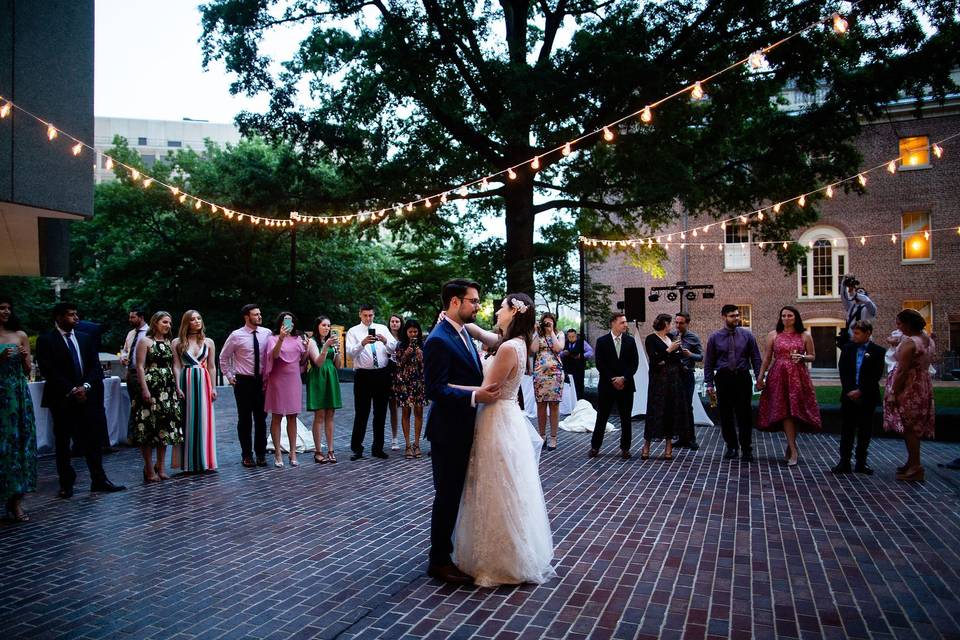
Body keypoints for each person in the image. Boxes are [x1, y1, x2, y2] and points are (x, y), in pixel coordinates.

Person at [450, 293, 556, 587]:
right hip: (507, 417)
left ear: (514, 312)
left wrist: (445, 386)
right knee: (505, 484)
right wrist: (457, 322)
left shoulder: (508, 347)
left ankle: (498, 560)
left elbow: (485, 389)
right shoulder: (518, 343)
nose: (497, 311)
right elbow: (482, 333)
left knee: (494, 485)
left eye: (502, 307)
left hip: (496, 417)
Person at [422, 279, 500, 584]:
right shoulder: (439, 339)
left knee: (456, 494)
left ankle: (449, 552)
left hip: (465, 426)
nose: (478, 306)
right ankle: (438, 560)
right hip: (447, 431)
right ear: (455, 302)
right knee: (447, 495)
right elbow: (435, 389)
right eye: (474, 301)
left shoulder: (463, 332)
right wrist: (475, 395)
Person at [35, 303, 125, 497]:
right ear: (59, 318)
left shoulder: (85, 338)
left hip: (87, 397)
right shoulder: (46, 340)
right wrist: (71, 389)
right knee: (63, 441)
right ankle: (66, 483)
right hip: (62, 398)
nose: (76, 318)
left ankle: (99, 479)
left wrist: (85, 386)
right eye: (71, 315)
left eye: (76, 314)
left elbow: (94, 367)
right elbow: (48, 369)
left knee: (92, 439)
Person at [756, 306, 822, 466]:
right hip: (778, 375)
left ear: (796, 317)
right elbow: (767, 358)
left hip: (798, 376)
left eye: (790, 315)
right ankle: (793, 449)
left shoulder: (805, 335)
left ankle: (791, 446)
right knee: (785, 411)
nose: (786, 318)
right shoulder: (773, 335)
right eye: (783, 315)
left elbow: (813, 356)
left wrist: (803, 357)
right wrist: (760, 376)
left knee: (795, 410)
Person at [704, 304, 762, 463]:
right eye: (732, 316)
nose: (736, 318)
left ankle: (746, 448)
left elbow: (756, 358)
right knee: (725, 415)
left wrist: (759, 377)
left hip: (742, 377)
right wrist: (709, 383)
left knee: (745, 415)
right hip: (723, 378)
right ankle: (731, 446)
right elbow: (709, 362)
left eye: (737, 315)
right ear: (723, 317)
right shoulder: (715, 337)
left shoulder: (747, 336)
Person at [883, 309, 936, 482]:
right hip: (923, 383)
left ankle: (915, 467)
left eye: (899, 323)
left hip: (909, 387)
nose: (897, 327)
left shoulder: (909, 343)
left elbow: (902, 371)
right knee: (914, 424)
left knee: (909, 426)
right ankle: (912, 462)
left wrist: (893, 392)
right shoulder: (927, 339)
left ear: (907, 324)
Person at [130, 311, 183, 482]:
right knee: (147, 429)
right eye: (164, 322)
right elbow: (139, 366)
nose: (168, 325)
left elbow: (175, 365)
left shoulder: (169, 343)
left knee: (164, 429)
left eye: (169, 322)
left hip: (166, 389)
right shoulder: (145, 341)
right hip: (151, 386)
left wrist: (177, 386)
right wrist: (144, 389)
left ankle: (160, 466)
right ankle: (148, 466)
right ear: (155, 323)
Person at [220, 304, 272, 467]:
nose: (259, 316)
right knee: (244, 419)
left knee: (261, 419)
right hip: (243, 381)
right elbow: (223, 357)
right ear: (246, 317)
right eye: (255, 314)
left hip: (261, 381)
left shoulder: (267, 333)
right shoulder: (236, 335)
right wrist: (229, 376)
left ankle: (261, 454)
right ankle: (246, 455)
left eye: (260, 313)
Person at [0, 296, 37, 521]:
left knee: (18, 443)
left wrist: (24, 358)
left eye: (8, 308)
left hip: (17, 394)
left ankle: (16, 502)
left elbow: (27, 370)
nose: (5, 311)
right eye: (1, 308)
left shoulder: (20, 335)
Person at [833, 320, 885, 475]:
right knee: (847, 429)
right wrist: (849, 390)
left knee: (865, 430)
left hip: (867, 396)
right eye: (853, 332)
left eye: (857, 333)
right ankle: (844, 462)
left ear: (867, 333)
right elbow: (843, 371)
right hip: (849, 396)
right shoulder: (848, 349)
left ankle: (861, 462)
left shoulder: (877, 352)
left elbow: (875, 375)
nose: (853, 336)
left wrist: (861, 390)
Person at [346, 304, 397, 460]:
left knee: (380, 413)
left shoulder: (382, 328)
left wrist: (385, 340)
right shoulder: (353, 331)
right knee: (362, 413)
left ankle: (378, 448)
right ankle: (357, 448)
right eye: (365, 315)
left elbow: (394, 348)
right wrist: (362, 343)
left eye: (371, 315)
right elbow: (349, 354)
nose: (368, 318)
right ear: (360, 315)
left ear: (374, 315)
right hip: (363, 376)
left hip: (382, 374)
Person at [588, 312, 640, 459]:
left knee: (626, 418)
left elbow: (634, 364)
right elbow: (600, 364)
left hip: (626, 386)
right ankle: (595, 447)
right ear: (613, 323)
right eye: (622, 322)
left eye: (625, 322)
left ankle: (625, 448)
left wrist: (623, 378)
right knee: (602, 417)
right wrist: (613, 379)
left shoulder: (630, 341)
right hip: (607, 386)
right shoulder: (602, 341)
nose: (625, 325)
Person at [172, 310, 218, 473]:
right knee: (187, 420)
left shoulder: (209, 342)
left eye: (199, 318)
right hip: (186, 380)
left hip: (204, 381)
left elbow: (212, 367)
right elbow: (176, 366)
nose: (197, 321)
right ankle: (188, 463)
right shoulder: (177, 342)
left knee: (205, 420)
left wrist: (213, 387)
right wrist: (177, 386)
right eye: (192, 319)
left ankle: (205, 461)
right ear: (186, 322)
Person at [642, 313, 692, 461]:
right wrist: (668, 351)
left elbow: (674, 359)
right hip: (658, 381)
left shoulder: (671, 337)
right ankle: (646, 446)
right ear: (664, 323)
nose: (672, 326)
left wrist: (674, 354)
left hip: (673, 380)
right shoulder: (651, 339)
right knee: (655, 411)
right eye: (670, 323)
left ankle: (668, 447)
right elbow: (655, 359)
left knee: (671, 411)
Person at [264, 311, 307, 468]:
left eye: (290, 321)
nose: (287, 324)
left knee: (292, 417)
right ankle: (277, 453)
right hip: (277, 379)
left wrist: (307, 348)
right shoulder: (272, 339)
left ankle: (293, 452)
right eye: (284, 321)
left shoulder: (298, 339)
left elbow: (303, 360)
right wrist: (281, 338)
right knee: (276, 416)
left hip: (293, 379)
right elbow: (273, 356)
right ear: (280, 324)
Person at [306, 316, 342, 464]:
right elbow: (318, 363)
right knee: (319, 414)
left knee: (330, 414)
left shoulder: (332, 342)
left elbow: (338, 365)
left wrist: (338, 352)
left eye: (328, 325)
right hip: (318, 377)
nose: (326, 328)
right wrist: (326, 347)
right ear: (317, 326)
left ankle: (331, 449)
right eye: (323, 325)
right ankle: (318, 450)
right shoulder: (312, 342)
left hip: (331, 376)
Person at [394, 318, 427, 459]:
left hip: (419, 382)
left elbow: (426, 367)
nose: (413, 334)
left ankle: (417, 444)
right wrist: (406, 353)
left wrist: (421, 357)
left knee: (419, 412)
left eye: (415, 331)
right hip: (404, 383)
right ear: (405, 332)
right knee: (406, 413)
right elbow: (398, 365)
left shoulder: (423, 345)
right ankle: (407, 445)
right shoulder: (400, 346)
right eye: (410, 331)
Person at [670, 312, 702, 450]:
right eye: (676, 322)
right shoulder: (671, 336)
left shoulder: (693, 337)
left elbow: (701, 356)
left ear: (687, 323)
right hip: (674, 375)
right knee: (676, 407)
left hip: (687, 375)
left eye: (681, 323)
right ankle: (681, 438)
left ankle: (691, 439)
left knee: (688, 407)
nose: (678, 325)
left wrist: (690, 355)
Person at [533, 312, 564, 451]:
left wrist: (551, 332)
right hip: (540, 374)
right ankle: (542, 436)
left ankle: (553, 437)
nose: (547, 324)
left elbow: (558, 348)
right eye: (545, 322)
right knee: (541, 405)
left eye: (550, 322)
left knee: (554, 405)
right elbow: (533, 350)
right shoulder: (538, 335)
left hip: (555, 374)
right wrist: (534, 332)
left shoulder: (559, 334)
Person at [838, 274, 877, 347]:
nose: (858, 296)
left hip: (864, 340)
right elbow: (844, 297)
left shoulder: (870, 308)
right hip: (850, 340)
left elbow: (867, 301)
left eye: (860, 294)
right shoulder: (852, 307)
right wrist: (844, 282)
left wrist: (854, 293)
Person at [120, 308, 148, 406]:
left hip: (144, 372)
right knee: (133, 403)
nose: (130, 319)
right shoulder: (131, 333)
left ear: (141, 318)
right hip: (130, 373)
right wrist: (123, 358)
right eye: (129, 317)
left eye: (133, 317)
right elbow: (125, 350)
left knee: (144, 403)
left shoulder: (149, 333)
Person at [560, 328, 593, 401]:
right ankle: (569, 402)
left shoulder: (582, 342)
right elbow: (558, 354)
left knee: (578, 386)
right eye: (569, 337)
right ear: (567, 337)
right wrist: (563, 353)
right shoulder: (564, 343)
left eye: (573, 336)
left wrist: (581, 356)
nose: (571, 338)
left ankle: (579, 401)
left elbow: (590, 352)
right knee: (567, 385)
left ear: (576, 336)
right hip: (567, 368)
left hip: (579, 368)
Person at [386, 314, 403, 451]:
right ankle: (394, 438)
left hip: (402, 374)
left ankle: (407, 438)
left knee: (404, 407)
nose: (394, 324)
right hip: (388, 373)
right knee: (392, 407)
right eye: (392, 321)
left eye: (397, 321)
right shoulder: (384, 335)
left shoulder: (404, 338)